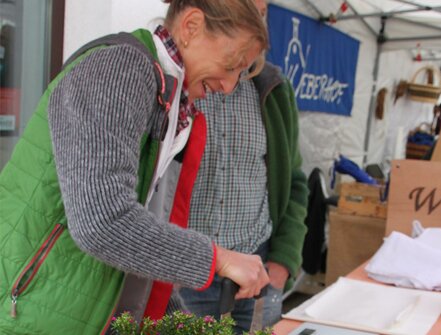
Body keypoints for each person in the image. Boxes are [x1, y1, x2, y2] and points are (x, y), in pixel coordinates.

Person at [0, 1, 271, 334]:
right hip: (27, 314)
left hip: (66, 310)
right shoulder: (120, 67)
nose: (230, 86)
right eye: (233, 64)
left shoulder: (168, 97)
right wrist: (219, 259)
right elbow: (103, 221)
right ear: (191, 26)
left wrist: (182, 323)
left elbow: (136, 238)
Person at [162, 0, 309, 332]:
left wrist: (282, 262)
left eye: (261, 12)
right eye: (247, 8)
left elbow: (296, 181)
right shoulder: (174, 84)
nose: (255, 19)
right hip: (184, 276)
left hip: (255, 277)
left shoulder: (274, 90)